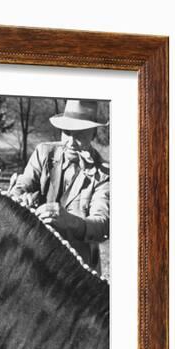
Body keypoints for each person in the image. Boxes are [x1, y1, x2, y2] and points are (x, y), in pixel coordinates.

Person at [9, 99, 109, 273]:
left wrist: (69, 221)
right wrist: (20, 199)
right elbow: (21, 187)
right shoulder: (44, 153)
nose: (70, 141)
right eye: (67, 132)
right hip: (36, 257)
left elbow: (102, 225)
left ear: (93, 134)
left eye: (79, 134)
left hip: (78, 269)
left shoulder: (104, 173)